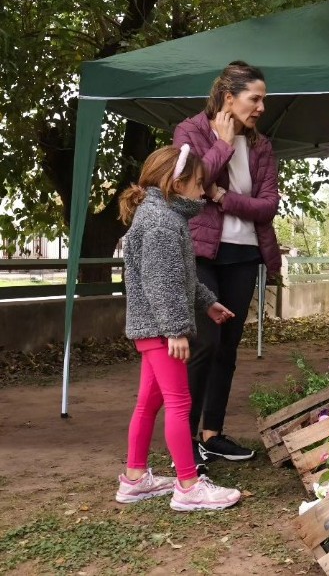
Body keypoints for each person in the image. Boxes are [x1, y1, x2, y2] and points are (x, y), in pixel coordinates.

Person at [115, 145, 241, 511]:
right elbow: (161, 282)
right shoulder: (161, 223)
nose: (203, 192)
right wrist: (174, 329)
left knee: (149, 402)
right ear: (176, 181)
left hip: (150, 329)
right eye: (199, 184)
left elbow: (181, 277)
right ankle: (188, 485)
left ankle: (135, 479)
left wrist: (207, 302)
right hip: (159, 330)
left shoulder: (162, 217)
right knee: (179, 402)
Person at [174, 60, 281, 464]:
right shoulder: (189, 132)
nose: (261, 107)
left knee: (228, 348)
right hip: (201, 252)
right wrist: (221, 144)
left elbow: (267, 207)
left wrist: (223, 198)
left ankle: (211, 433)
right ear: (228, 97)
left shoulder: (262, 145)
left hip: (244, 254)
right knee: (205, 342)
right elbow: (192, 187)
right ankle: (184, 440)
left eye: (263, 100)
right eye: (255, 98)